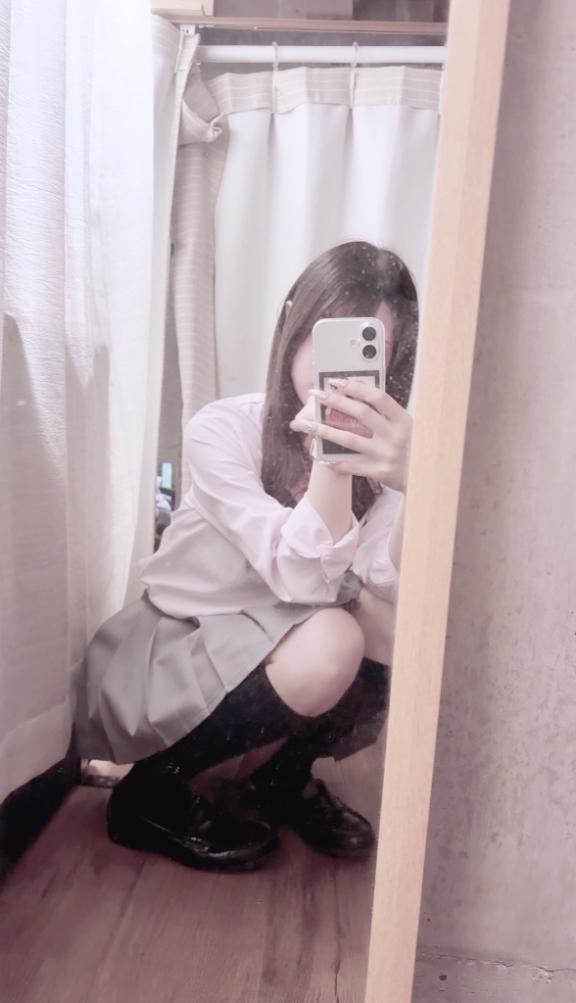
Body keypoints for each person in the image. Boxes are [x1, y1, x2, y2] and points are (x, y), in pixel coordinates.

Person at [73, 240, 418, 872]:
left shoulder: (389, 452)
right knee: (335, 637)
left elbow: (388, 582)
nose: (339, 367)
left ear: (391, 362)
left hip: (282, 638)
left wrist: (413, 481)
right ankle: (150, 792)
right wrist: (332, 460)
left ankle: (281, 779)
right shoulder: (223, 429)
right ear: (292, 320)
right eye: (327, 332)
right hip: (189, 637)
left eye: (370, 346)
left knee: (396, 626)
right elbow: (301, 578)